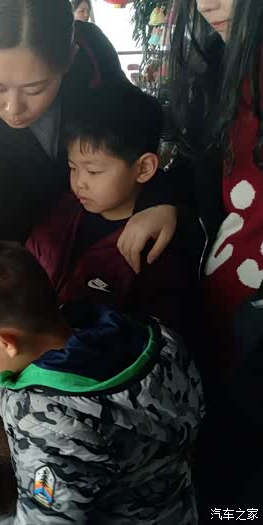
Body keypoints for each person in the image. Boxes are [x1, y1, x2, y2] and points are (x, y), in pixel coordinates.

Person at [0, 1, 178, 518]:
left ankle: (86, 442)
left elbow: (136, 135)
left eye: (36, 88)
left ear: (68, 57)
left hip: (81, 226)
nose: (14, 108)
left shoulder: (95, 64)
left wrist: (163, 199)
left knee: (75, 339)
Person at [0, 241, 204, 525]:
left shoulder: (44, 423)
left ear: (4, 342)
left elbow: (48, 520)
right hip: (175, 505)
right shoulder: (152, 336)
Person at [167, 0, 263, 510]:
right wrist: (166, 202)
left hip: (248, 322)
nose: (207, 4)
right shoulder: (220, 69)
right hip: (226, 310)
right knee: (226, 467)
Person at [26, 81, 196, 332]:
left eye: (93, 171)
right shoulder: (64, 211)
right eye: (73, 167)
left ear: (143, 168)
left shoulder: (156, 247)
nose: (79, 182)